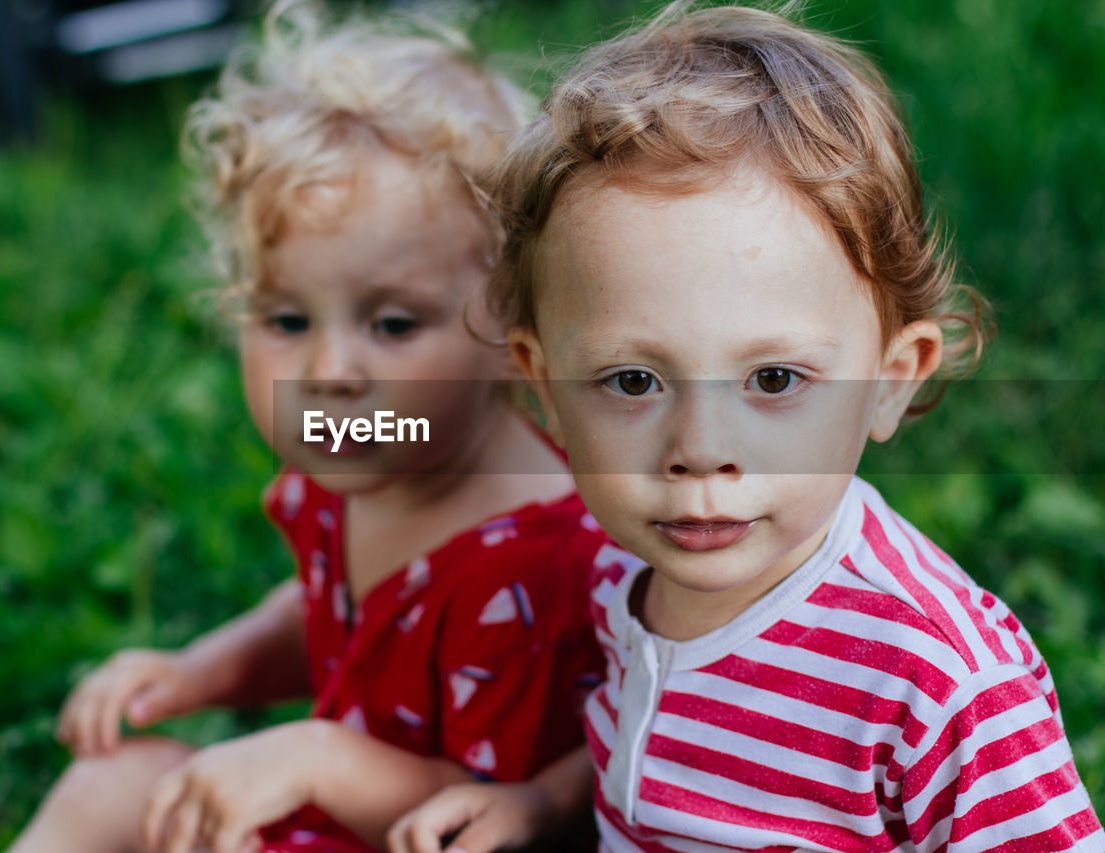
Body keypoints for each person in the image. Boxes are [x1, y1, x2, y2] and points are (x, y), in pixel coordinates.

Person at [388, 4, 1105, 851]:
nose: (700, 451)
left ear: (889, 381)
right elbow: (659, 740)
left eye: (773, 379)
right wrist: (543, 805)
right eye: (632, 380)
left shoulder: (934, 680)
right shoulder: (627, 552)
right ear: (545, 384)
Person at [7, 2, 612, 851]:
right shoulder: (364, 457)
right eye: (287, 320)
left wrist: (318, 758)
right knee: (117, 778)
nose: (329, 371)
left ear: (518, 338)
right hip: (339, 816)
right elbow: (327, 613)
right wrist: (198, 672)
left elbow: (503, 813)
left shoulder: (531, 564)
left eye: (394, 324)